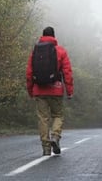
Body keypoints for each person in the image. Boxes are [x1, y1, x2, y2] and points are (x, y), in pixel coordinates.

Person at [26, 26, 74, 156]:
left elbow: (29, 73)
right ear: (54, 36)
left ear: (42, 35)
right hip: (56, 89)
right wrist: (69, 91)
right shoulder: (61, 51)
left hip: (39, 90)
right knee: (58, 115)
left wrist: (30, 90)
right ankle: (55, 136)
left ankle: (46, 148)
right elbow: (67, 72)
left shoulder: (35, 51)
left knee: (43, 119)